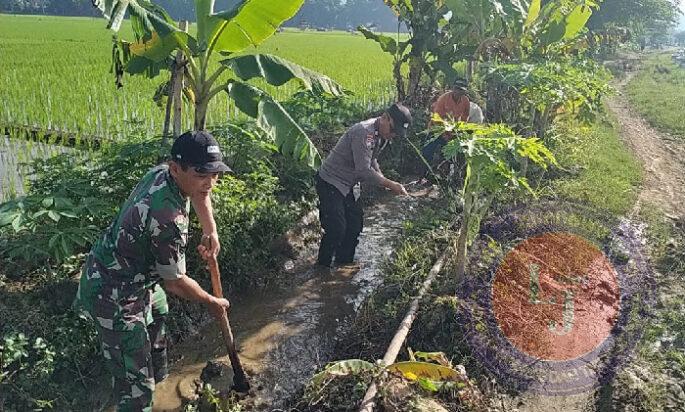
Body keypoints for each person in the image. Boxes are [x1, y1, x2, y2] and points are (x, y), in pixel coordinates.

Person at [74, 130, 231, 411]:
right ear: (175, 168)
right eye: (201, 173)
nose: (210, 182)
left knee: (159, 314)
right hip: (113, 291)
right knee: (137, 393)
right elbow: (174, 283)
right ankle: (133, 390)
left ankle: (159, 386)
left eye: (215, 173)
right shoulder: (167, 219)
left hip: (141, 279)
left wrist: (211, 229)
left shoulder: (169, 174)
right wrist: (212, 302)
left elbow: (200, 191)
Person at [315, 103, 412, 268]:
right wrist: (390, 184)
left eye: (397, 133)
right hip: (331, 181)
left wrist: (382, 178)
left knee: (354, 226)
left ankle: (343, 265)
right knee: (336, 228)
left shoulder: (381, 135)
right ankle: (322, 269)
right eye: (393, 130)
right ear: (385, 118)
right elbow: (363, 171)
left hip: (349, 184)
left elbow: (371, 159)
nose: (394, 135)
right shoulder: (363, 132)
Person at [420, 80, 484, 179]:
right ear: (453, 88)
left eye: (461, 90)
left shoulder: (465, 101)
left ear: (464, 91)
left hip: (453, 130)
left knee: (453, 152)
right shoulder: (443, 99)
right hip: (437, 129)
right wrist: (444, 134)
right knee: (428, 150)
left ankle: (449, 175)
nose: (458, 92)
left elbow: (464, 118)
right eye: (456, 89)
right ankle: (424, 175)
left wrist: (457, 131)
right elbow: (437, 118)